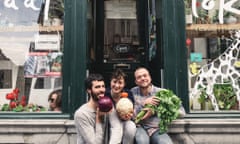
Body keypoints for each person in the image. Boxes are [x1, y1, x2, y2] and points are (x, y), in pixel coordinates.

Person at [131, 67, 186, 144]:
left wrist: (158, 110)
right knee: (142, 141)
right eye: (139, 77)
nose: (143, 78)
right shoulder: (132, 92)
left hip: (156, 129)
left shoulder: (162, 93)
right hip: (140, 127)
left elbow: (182, 113)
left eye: (145, 75)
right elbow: (131, 115)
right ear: (136, 81)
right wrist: (143, 104)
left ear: (150, 77)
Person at [74, 73, 122, 144]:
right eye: (97, 87)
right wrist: (99, 119)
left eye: (103, 86)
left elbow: (117, 127)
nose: (102, 90)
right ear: (89, 90)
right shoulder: (81, 114)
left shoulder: (108, 105)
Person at [105, 69, 136, 144]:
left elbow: (131, 111)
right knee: (117, 127)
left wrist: (129, 115)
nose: (116, 85)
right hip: (110, 122)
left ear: (124, 84)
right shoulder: (105, 94)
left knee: (131, 126)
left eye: (120, 83)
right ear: (110, 82)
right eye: (114, 82)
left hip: (124, 120)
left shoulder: (128, 94)